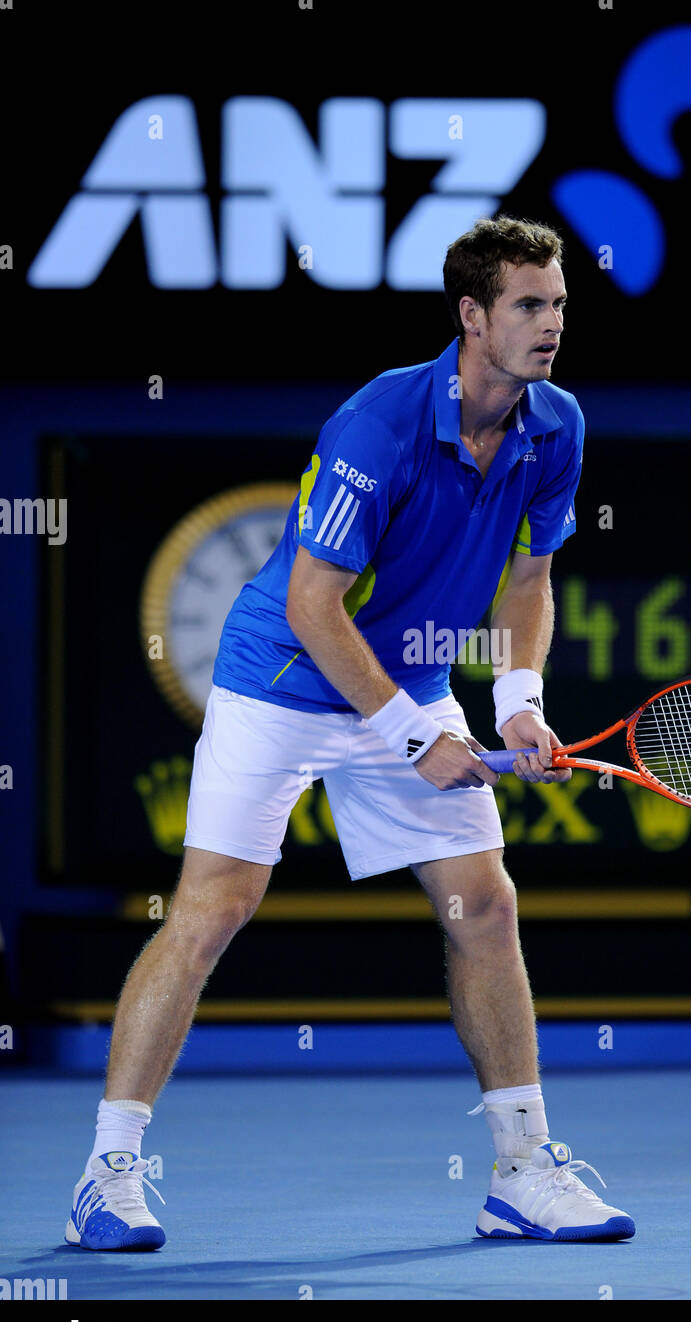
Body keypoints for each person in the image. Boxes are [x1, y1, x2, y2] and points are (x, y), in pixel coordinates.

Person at [66, 214, 635, 1250]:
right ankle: (109, 1174)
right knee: (211, 910)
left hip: (407, 675)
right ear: (471, 316)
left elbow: (529, 575)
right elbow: (312, 606)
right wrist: (417, 740)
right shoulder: (374, 425)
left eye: (556, 305)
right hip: (281, 678)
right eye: (526, 305)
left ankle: (519, 1170)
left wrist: (516, 698)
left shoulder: (557, 426)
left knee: (485, 904)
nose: (549, 324)